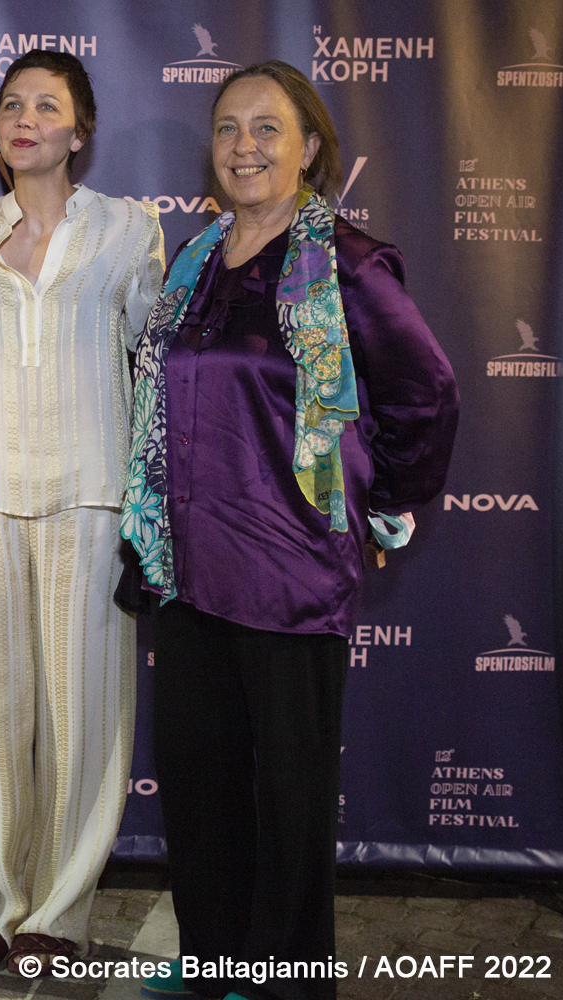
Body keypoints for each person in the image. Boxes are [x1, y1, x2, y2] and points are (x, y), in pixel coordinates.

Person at [125, 62, 458, 1000]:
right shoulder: (193, 262)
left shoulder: (348, 263)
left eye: (267, 128)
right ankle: (214, 960)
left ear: (309, 147)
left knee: (289, 796)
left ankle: (285, 979)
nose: (244, 147)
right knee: (201, 782)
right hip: (185, 567)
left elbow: (427, 393)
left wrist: (383, 505)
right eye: (228, 129)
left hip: (291, 573)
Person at [0, 50, 163, 974]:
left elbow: (152, 359)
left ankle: (60, 911)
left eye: (46, 106)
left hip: (90, 494)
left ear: (80, 131)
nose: (25, 119)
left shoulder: (129, 229)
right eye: (11, 104)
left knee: (84, 712)